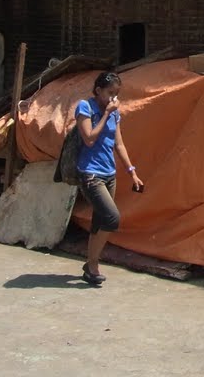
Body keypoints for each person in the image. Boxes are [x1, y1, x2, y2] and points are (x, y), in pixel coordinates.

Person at [75, 71, 144, 286]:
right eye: (110, 93)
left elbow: (119, 144)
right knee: (111, 217)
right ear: (98, 91)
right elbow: (88, 139)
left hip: (109, 173)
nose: (114, 98)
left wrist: (132, 171)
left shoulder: (115, 113)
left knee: (99, 221)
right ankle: (93, 263)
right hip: (90, 173)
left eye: (116, 94)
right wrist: (106, 114)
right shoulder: (85, 107)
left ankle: (90, 267)